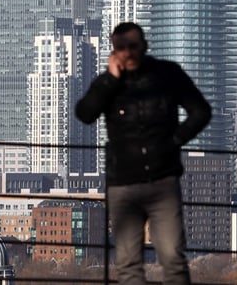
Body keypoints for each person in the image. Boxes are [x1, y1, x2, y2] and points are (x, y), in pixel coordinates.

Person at [76, 22, 211, 285]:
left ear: (145, 46)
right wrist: (109, 80)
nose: (127, 52)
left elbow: (201, 111)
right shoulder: (108, 83)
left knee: (172, 257)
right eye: (120, 47)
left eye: (132, 46)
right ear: (113, 50)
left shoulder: (167, 75)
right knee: (128, 264)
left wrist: (175, 141)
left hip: (163, 181)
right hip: (123, 185)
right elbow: (85, 113)